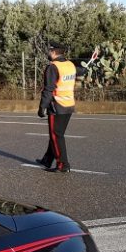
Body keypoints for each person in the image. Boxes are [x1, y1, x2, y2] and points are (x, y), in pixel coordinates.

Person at [36, 42, 87, 173]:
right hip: (69, 105)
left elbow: (48, 89)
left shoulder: (53, 67)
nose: (48, 53)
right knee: (57, 134)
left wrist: (42, 107)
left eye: (49, 51)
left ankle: (63, 165)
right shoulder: (70, 65)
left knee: (56, 135)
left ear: (53, 52)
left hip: (57, 106)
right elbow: (81, 71)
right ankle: (47, 159)